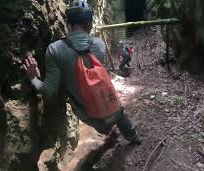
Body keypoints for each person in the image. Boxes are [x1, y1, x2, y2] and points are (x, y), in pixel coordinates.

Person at [22, 0, 142, 145]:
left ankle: (110, 134)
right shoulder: (99, 45)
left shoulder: (55, 50)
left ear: (69, 23)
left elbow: (48, 92)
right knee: (119, 115)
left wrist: (33, 78)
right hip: (110, 104)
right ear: (89, 24)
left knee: (104, 125)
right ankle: (134, 137)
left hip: (90, 115)